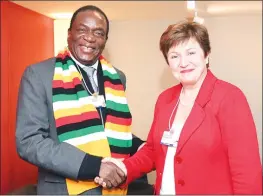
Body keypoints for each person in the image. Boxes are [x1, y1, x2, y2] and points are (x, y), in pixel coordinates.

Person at [95, 20, 262, 194]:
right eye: (174, 56)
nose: (183, 63)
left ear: (206, 55)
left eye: (191, 53)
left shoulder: (229, 97)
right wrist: (123, 168)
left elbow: (247, 174)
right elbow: (153, 150)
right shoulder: (165, 99)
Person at [16, 5, 144, 195]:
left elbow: (110, 132)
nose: (90, 38)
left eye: (98, 32)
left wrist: (141, 147)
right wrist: (94, 166)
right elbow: (29, 141)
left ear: (105, 40)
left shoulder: (118, 77)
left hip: (114, 189)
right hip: (63, 189)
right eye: (82, 30)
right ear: (69, 34)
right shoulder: (39, 75)